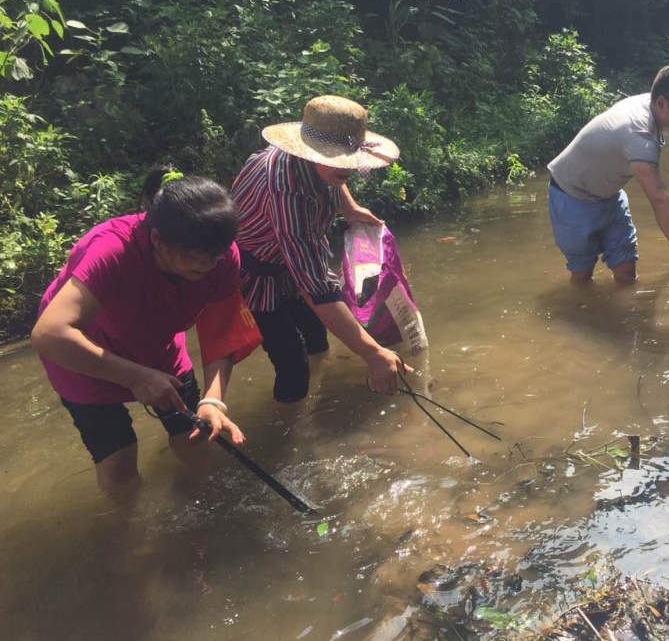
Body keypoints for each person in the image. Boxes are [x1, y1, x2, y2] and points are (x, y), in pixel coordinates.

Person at [31, 168, 248, 490]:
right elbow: (49, 334)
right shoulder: (112, 250)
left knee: (194, 434)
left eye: (214, 258)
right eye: (195, 258)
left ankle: (198, 496)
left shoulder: (221, 255)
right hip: (86, 353)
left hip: (156, 342)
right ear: (157, 239)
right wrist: (135, 376)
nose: (206, 267)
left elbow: (222, 330)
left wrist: (213, 401)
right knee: (118, 461)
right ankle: (130, 535)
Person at [231, 95, 410, 403]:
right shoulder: (286, 191)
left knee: (317, 337)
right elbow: (317, 289)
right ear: (310, 152)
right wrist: (374, 354)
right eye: (335, 159)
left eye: (347, 160)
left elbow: (335, 176)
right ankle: (292, 435)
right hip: (257, 271)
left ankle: (323, 393)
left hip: (293, 260)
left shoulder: (321, 165)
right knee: (293, 364)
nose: (346, 168)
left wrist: (351, 209)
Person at [547, 64, 669, 290]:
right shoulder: (639, 135)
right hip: (571, 196)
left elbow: (660, 120)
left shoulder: (651, 101)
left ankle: (625, 321)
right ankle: (582, 318)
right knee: (582, 274)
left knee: (626, 272)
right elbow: (659, 199)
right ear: (661, 103)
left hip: (610, 196)